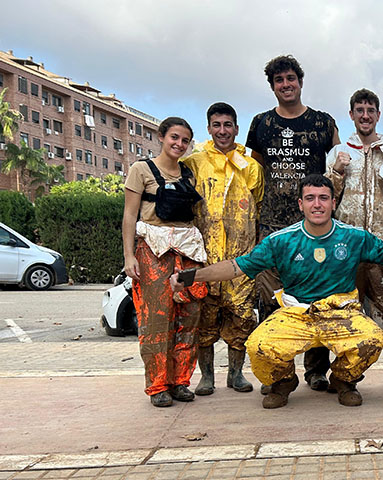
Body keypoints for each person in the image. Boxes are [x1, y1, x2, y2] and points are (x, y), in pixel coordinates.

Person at [170, 174, 383, 409]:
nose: (317, 204)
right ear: (301, 204)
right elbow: (237, 267)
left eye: (323, 198)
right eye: (310, 198)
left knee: (372, 339)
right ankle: (284, 381)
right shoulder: (281, 241)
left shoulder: (353, 236)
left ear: (334, 203)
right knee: (258, 345)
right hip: (296, 313)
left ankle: (343, 379)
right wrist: (192, 277)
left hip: (342, 314)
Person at [245, 54, 340, 392]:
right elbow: (254, 173)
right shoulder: (261, 124)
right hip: (273, 226)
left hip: (316, 227)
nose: (286, 85)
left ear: (301, 81)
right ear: (272, 86)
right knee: (272, 303)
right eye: (279, 80)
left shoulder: (322, 123)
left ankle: (316, 370)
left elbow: (342, 164)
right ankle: (279, 373)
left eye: (291, 78)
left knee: (316, 297)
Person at [326, 89, 383, 388]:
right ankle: (346, 373)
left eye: (370, 110)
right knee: (345, 311)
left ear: (378, 114)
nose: (365, 115)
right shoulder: (337, 152)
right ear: (351, 114)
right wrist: (336, 172)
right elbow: (325, 200)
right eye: (359, 110)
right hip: (346, 248)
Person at [122, 117, 208, 407]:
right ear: (161, 136)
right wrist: (129, 256)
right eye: (174, 137)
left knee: (189, 318)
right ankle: (158, 386)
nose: (179, 144)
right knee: (156, 321)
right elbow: (129, 216)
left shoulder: (188, 173)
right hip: (152, 253)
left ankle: (181, 382)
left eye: (184, 140)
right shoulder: (140, 169)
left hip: (188, 253)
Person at [183, 102, 264, 396]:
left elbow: (259, 205)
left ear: (236, 129)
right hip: (204, 257)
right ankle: (206, 377)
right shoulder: (194, 163)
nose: (222, 131)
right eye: (216, 125)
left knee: (241, 316)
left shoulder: (251, 167)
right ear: (208, 129)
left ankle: (236, 374)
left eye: (227, 125)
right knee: (204, 316)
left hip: (241, 259)